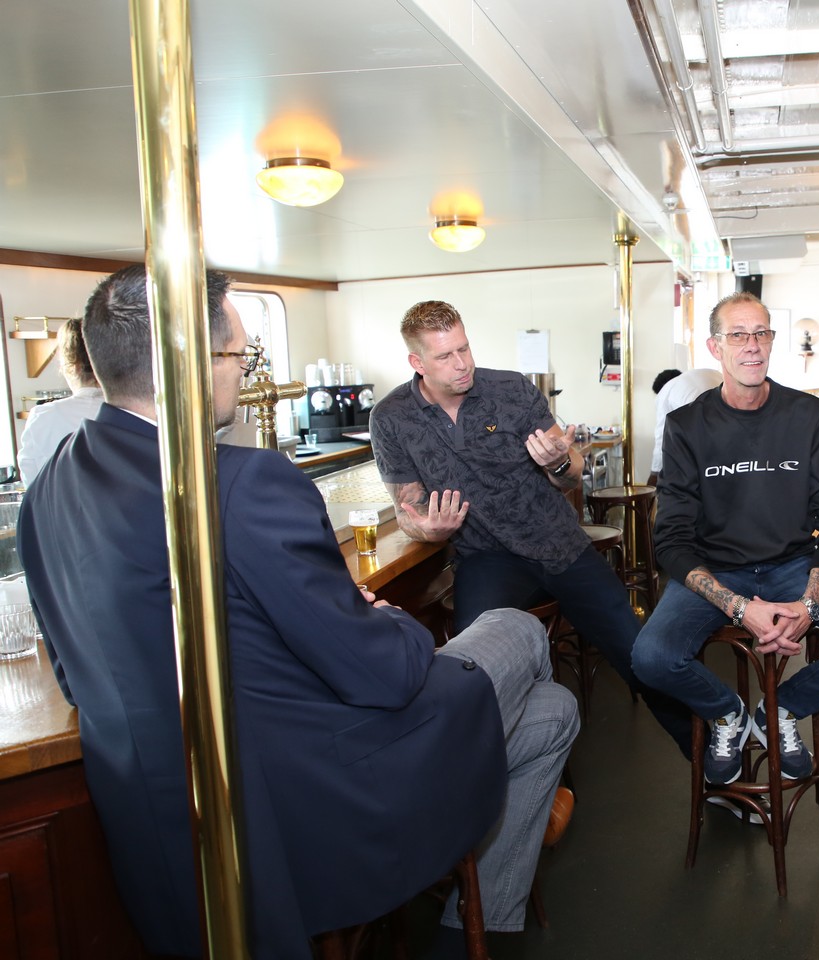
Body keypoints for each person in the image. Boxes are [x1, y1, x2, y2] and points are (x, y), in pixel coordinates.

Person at [17, 266, 578, 959]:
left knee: (553, 712)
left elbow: (78, 678)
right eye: (240, 356)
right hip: (310, 803)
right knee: (518, 631)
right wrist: (382, 616)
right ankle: (469, 901)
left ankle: (472, 923)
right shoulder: (240, 485)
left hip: (160, 830)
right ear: (191, 364)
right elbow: (384, 674)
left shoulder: (49, 492)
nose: (244, 373)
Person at [368, 300, 692, 755]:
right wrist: (431, 529)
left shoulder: (511, 389)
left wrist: (559, 462)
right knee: (475, 669)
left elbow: (570, 473)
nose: (462, 363)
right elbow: (407, 509)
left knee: (638, 654)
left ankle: (705, 754)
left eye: (464, 348)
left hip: (558, 543)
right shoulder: (391, 418)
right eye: (445, 356)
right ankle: (496, 777)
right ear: (416, 363)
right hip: (487, 559)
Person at [632, 291, 819, 798]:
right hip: (716, 571)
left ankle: (781, 708)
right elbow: (670, 540)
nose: (752, 345)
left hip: (792, 566)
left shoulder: (808, 415)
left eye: (761, 333)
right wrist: (741, 609)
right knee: (650, 657)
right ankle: (727, 714)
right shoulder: (687, 426)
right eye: (738, 335)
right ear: (715, 347)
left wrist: (811, 603)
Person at [17, 317, 103, 485]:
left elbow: (31, 481)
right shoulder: (131, 410)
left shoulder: (44, 416)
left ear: (71, 366)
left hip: (61, 502)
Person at [649, 365, 722, 482]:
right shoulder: (705, 374)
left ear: (660, 389)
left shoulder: (665, 392)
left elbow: (661, 437)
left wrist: (654, 473)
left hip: (703, 433)